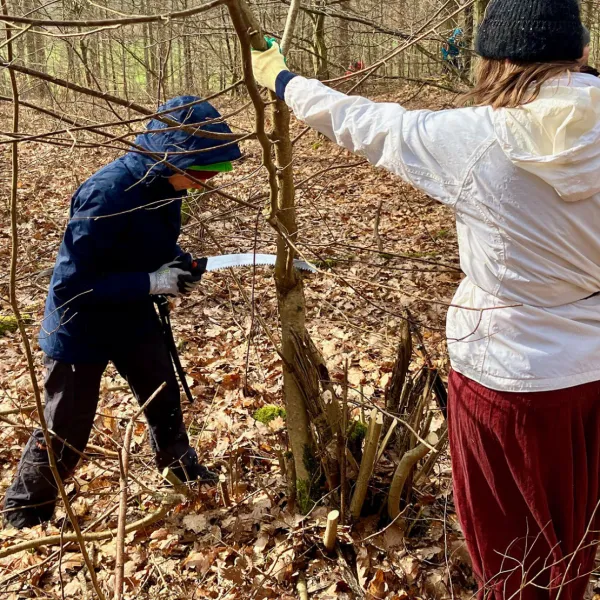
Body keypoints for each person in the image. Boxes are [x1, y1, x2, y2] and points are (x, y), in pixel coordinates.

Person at [252, 0, 600, 598]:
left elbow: (363, 121)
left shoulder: (475, 139)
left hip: (505, 376)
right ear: (582, 52)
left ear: (501, 62)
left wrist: (283, 80)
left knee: (512, 557)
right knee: (573, 536)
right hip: (591, 373)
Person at [3, 96, 241, 529]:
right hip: (80, 327)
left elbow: (152, 243)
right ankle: (25, 511)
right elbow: (71, 284)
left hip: (131, 317)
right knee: (66, 431)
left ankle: (180, 470)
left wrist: (178, 263)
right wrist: (152, 282)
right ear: (174, 157)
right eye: (205, 169)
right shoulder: (107, 192)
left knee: (163, 397)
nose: (210, 180)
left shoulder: (167, 186)